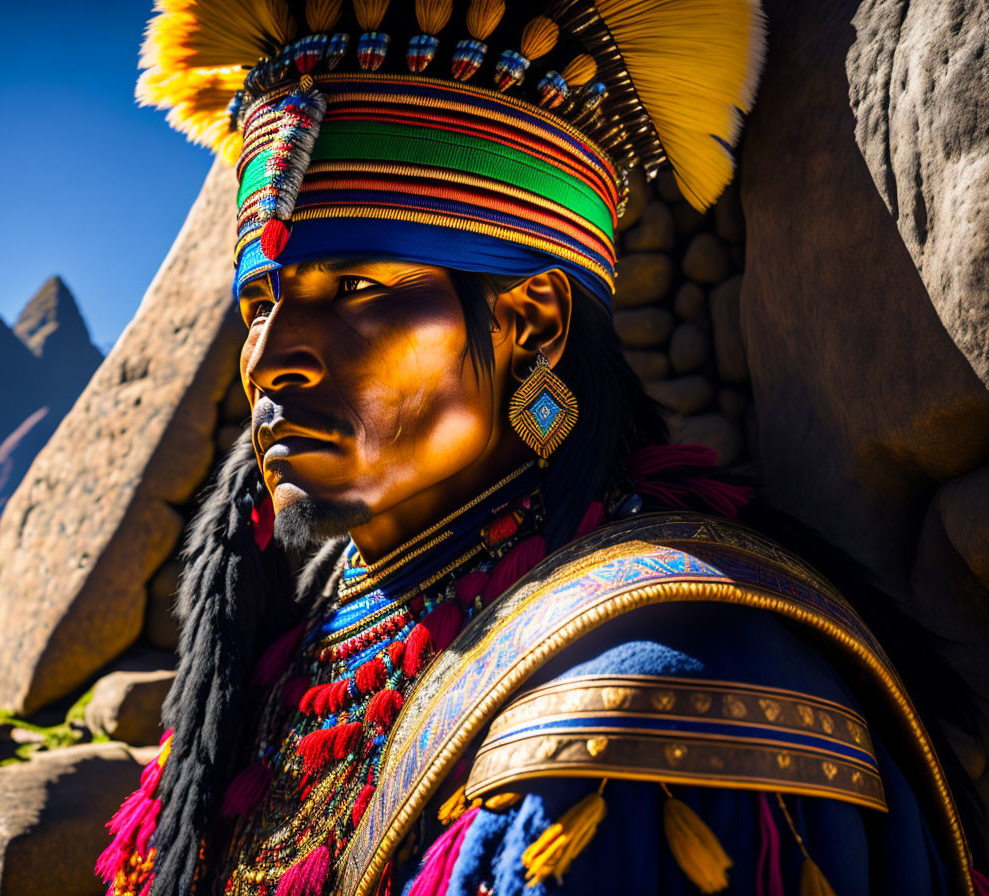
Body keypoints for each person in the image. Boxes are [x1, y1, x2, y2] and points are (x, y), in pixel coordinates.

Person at [97, 0, 986, 894]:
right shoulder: (300, 630)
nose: (271, 356)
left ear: (534, 322)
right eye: (260, 305)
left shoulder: (653, 705)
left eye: (358, 286)